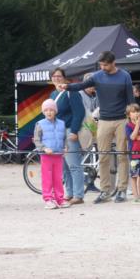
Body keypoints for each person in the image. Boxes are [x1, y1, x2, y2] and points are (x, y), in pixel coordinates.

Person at [65, 51, 134, 203]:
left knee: (122, 155)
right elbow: (81, 85)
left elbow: (131, 100)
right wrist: (67, 86)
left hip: (122, 120)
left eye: (105, 65)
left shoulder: (125, 76)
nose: (103, 67)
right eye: (101, 65)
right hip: (103, 121)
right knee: (103, 156)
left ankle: (122, 189)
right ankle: (105, 191)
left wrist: (132, 121)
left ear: (113, 62)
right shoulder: (97, 76)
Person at [50, 67, 87, 205]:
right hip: (58, 132)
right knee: (64, 166)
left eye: (59, 76)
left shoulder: (71, 92)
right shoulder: (53, 94)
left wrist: (74, 131)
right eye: (54, 76)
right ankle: (70, 193)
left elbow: (79, 112)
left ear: (64, 78)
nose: (56, 78)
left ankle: (78, 195)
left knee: (73, 164)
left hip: (69, 130)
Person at [33, 98, 69, 209]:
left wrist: (65, 147)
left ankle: (60, 199)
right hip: (46, 156)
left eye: (51, 110)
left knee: (58, 178)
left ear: (55, 111)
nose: (49, 112)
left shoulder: (62, 124)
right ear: (43, 112)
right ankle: (48, 199)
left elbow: (64, 138)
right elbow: (36, 140)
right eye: (46, 110)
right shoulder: (40, 124)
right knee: (47, 178)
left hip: (58, 155)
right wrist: (44, 148)